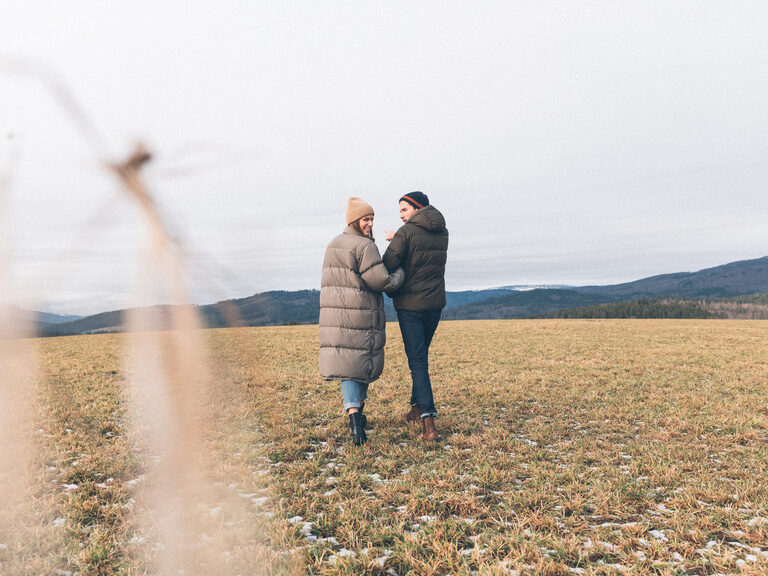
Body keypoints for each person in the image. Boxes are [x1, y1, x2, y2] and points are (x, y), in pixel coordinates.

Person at [319, 197, 405, 446]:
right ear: (354, 221)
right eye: (366, 219)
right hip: (360, 315)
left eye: (371, 219)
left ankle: (355, 417)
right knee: (359, 366)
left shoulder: (333, 243)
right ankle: (358, 418)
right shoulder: (364, 246)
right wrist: (400, 273)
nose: (370, 224)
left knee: (349, 368)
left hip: (336, 317)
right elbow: (381, 281)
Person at [383, 191, 448, 442]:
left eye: (404, 210)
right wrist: (400, 237)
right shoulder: (443, 232)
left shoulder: (406, 233)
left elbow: (389, 264)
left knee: (417, 362)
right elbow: (422, 256)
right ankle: (416, 408)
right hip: (434, 305)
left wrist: (395, 239)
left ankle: (429, 426)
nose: (401, 215)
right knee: (422, 357)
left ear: (417, 209)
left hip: (410, 306)